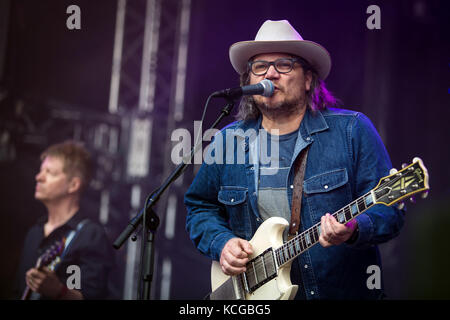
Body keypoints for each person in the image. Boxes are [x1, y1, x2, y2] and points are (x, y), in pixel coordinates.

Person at [184, 20, 405, 299]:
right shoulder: (228, 141)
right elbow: (200, 206)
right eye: (260, 67)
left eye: (284, 65)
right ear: (249, 81)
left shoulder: (352, 131)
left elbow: (391, 209)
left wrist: (353, 228)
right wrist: (222, 243)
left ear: (308, 79)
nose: (271, 74)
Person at [14, 140, 114, 300]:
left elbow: (94, 297)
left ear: (73, 185)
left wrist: (59, 291)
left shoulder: (90, 235)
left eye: (50, 173)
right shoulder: (34, 233)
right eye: (41, 171)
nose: (39, 177)